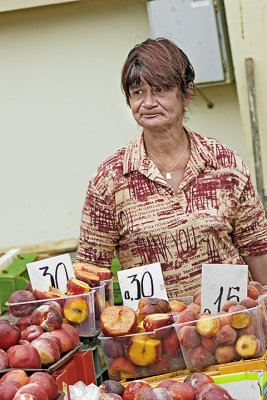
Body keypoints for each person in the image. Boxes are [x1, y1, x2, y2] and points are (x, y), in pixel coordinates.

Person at [76, 38, 267, 297]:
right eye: (138, 92)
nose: (149, 103)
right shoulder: (110, 178)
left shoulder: (225, 164)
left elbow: (257, 249)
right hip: (153, 331)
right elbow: (91, 270)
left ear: (186, 93)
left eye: (160, 90)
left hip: (229, 326)